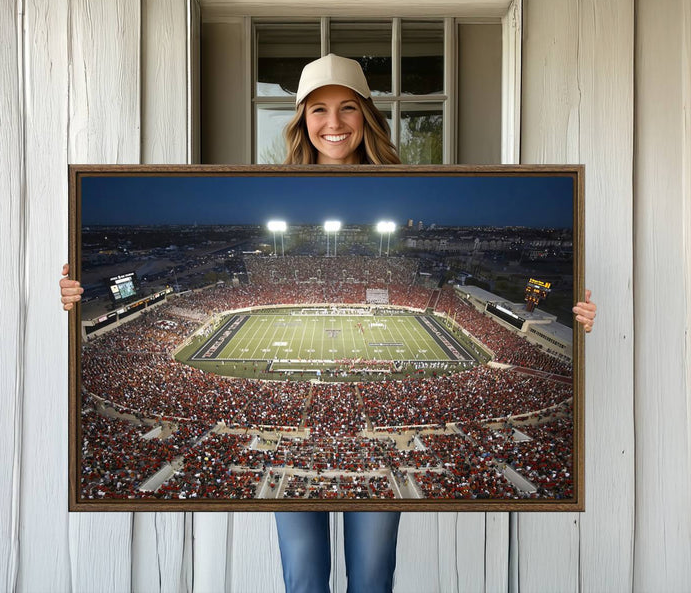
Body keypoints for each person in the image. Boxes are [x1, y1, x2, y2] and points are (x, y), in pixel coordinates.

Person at [59, 54, 597, 593]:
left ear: (367, 115)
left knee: (371, 576)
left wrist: (574, 314)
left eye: (347, 109)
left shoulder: (407, 183)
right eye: (318, 109)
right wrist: (76, 294)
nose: (333, 124)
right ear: (301, 119)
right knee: (304, 575)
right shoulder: (276, 182)